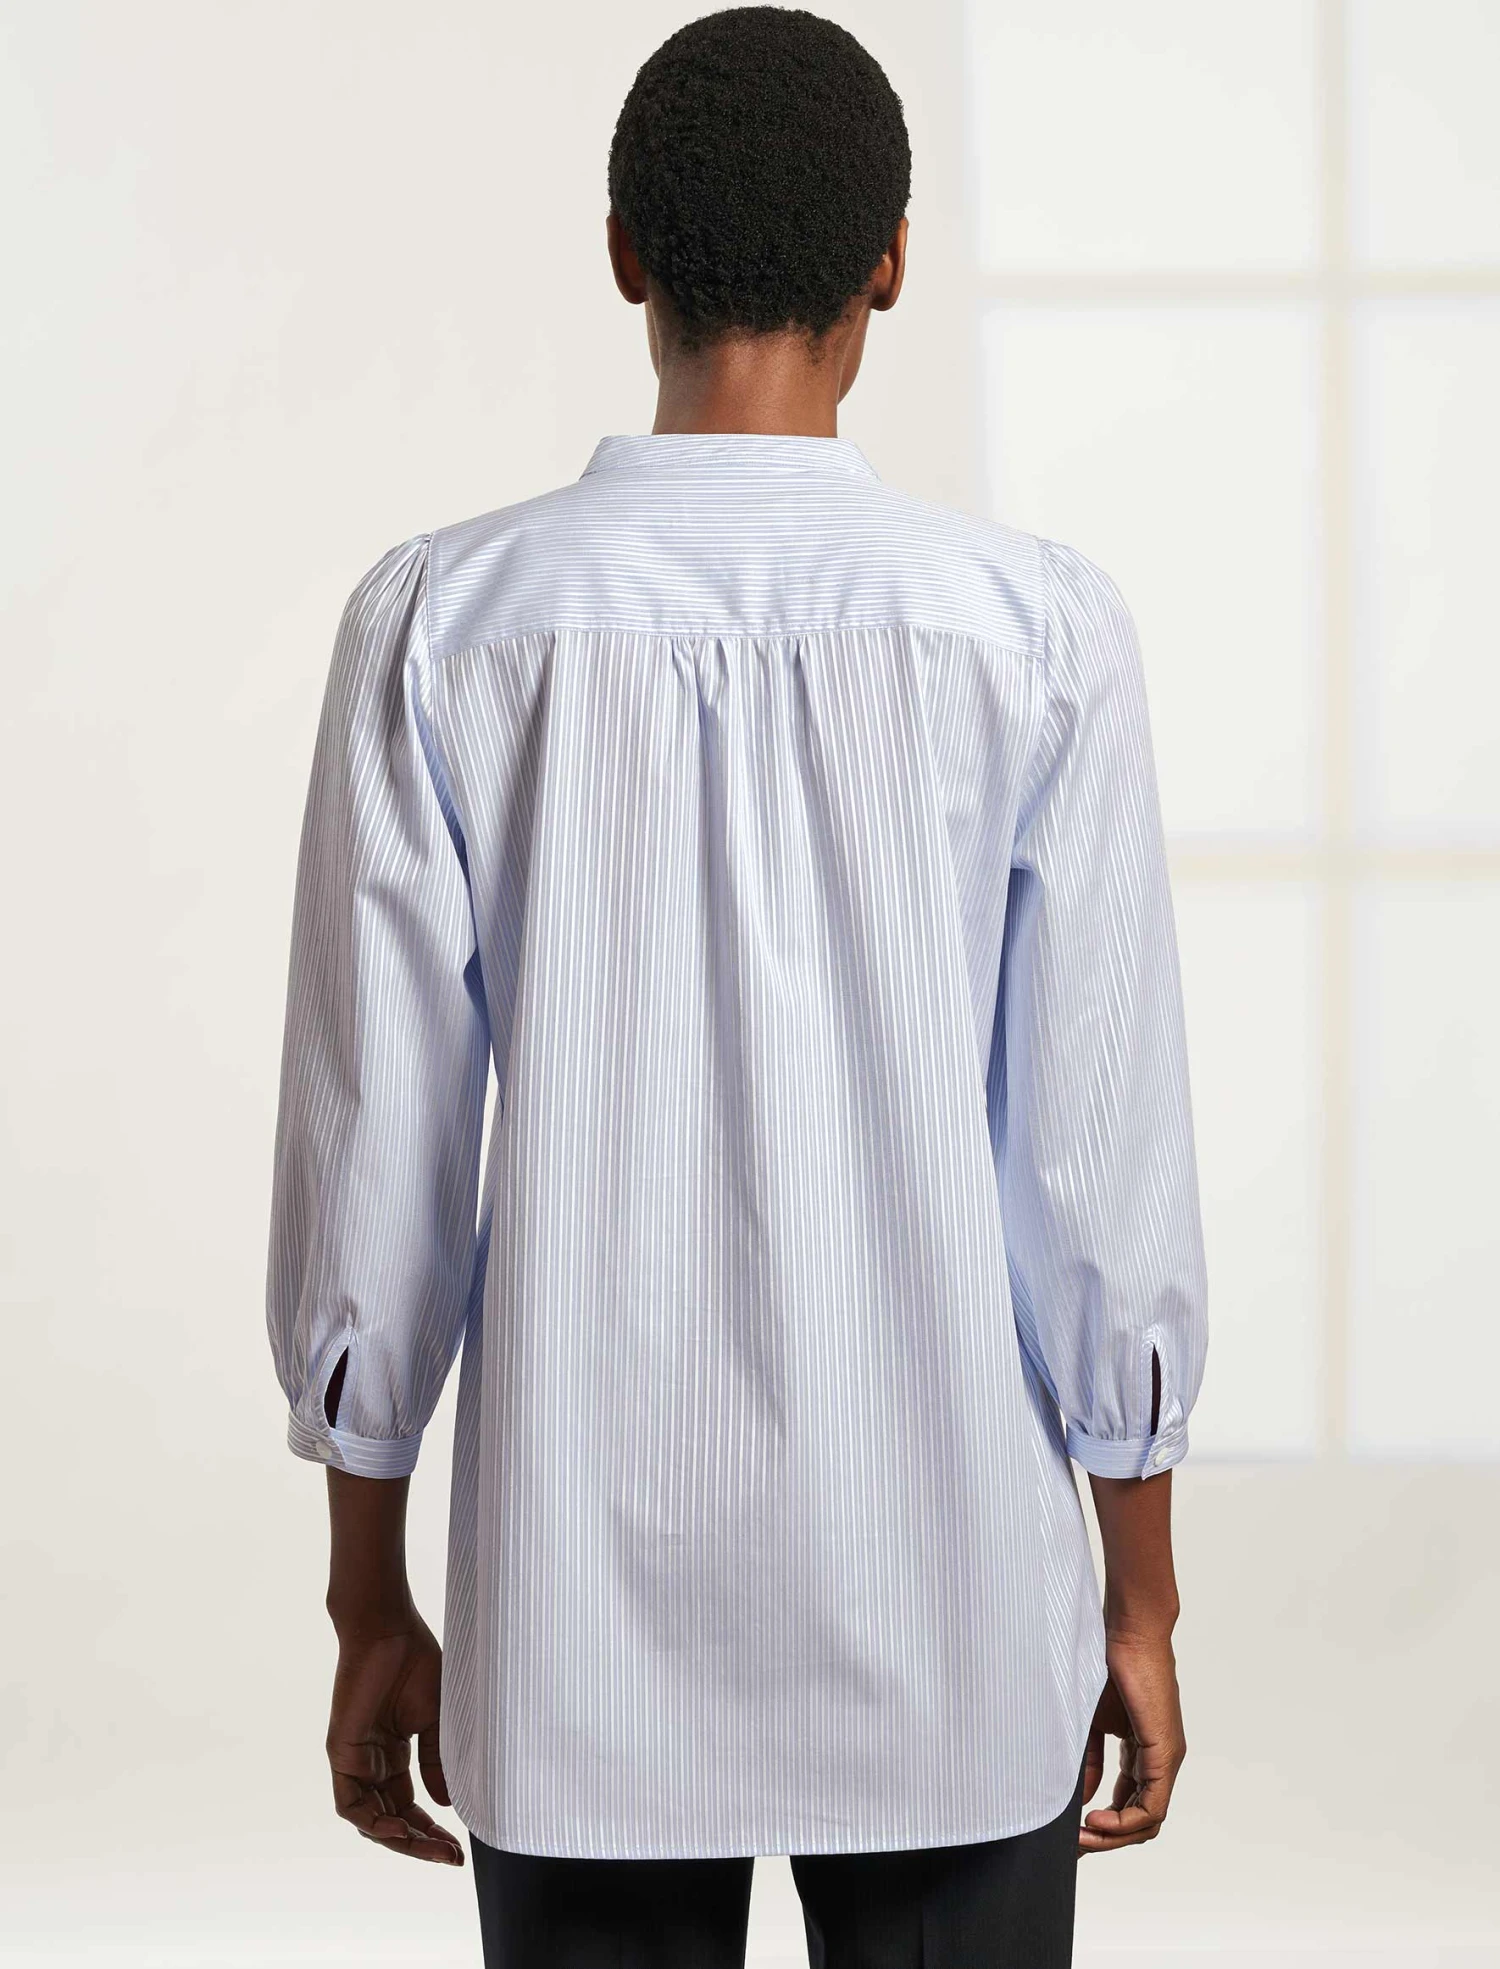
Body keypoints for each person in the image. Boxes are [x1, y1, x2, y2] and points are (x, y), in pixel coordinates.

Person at [264, 8, 1209, 1965]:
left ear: (627, 254)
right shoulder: (1033, 634)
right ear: (891, 264)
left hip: (574, 1627)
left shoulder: (445, 625)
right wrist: (1144, 1597)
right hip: (951, 1612)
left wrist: (367, 1598)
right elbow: (1098, 1170)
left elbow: (377, 1162)